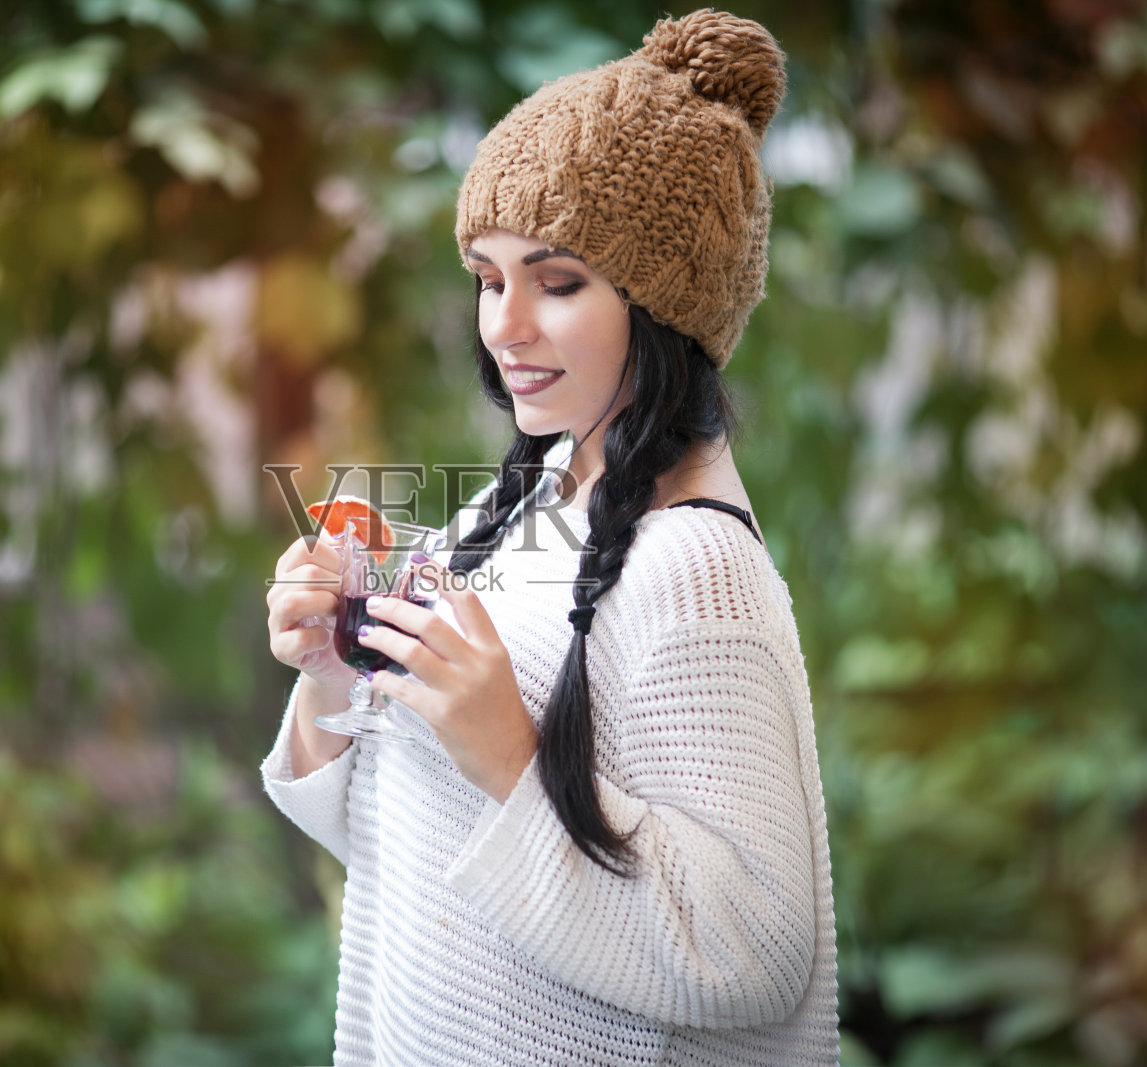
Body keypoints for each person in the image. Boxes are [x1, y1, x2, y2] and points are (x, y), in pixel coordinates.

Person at [262, 9, 838, 1065]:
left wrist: (508, 756)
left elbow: (758, 955)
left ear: (668, 304)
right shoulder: (508, 514)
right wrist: (331, 673)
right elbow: (403, 835)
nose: (504, 325)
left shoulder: (696, 568)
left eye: (557, 280)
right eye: (488, 279)